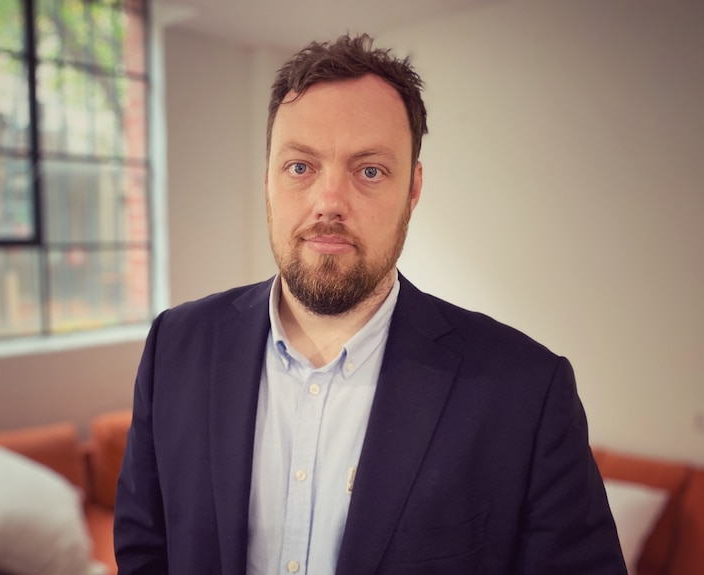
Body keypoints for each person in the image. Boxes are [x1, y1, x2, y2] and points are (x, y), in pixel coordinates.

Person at [114, 33, 626, 575]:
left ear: (413, 189)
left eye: (370, 171)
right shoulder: (175, 346)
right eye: (300, 167)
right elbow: (145, 549)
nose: (329, 202)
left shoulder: (525, 391)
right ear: (267, 180)